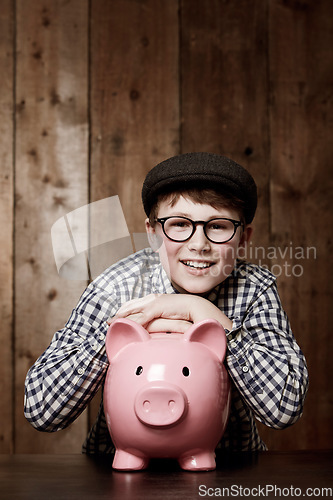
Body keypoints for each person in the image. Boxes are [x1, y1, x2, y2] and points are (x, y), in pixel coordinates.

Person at [24, 152, 309, 453]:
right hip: (117, 470)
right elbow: (42, 411)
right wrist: (114, 335)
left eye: (219, 226)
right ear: (152, 233)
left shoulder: (254, 288)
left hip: (229, 467)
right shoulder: (116, 287)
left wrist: (201, 312)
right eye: (179, 224)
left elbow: (284, 409)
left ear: (244, 238)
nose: (199, 245)